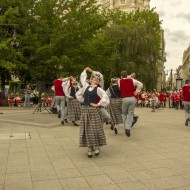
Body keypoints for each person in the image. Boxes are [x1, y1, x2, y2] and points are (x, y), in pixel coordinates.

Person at [76, 70, 109, 158]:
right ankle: (89, 148)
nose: (96, 80)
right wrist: (84, 101)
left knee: (95, 129)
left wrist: (98, 104)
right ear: (90, 80)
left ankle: (97, 146)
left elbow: (105, 97)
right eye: (94, 79)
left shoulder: (98, 89)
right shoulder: (85, 87)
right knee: (86, 130)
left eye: (97, 79)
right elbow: (78, 94)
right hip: (85, 111)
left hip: (94, 111)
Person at [119, 71, 143, 137]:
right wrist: (136, 91)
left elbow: (123, 79)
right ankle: (128, 127)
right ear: (127, 75)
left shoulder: (119, 81)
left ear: (121, 76)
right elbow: (141, 84)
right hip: (132, 98)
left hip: (124, 98)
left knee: (124, 113)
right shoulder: (132, 80)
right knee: (130, 113)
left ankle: (126, 126)